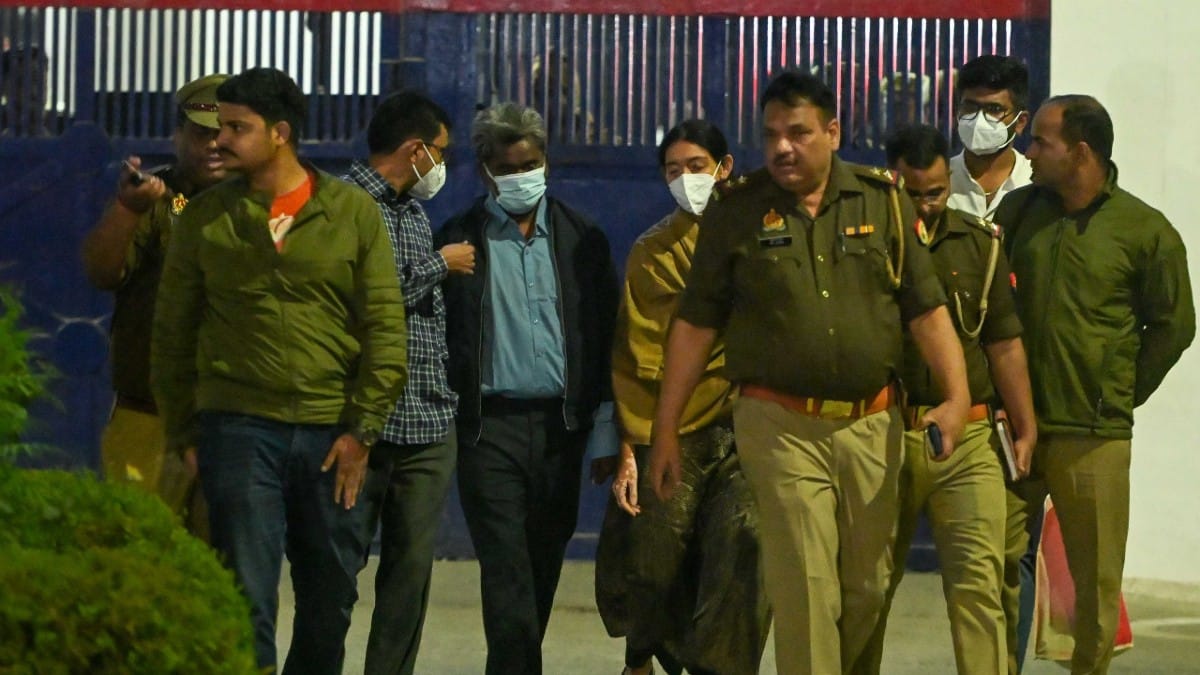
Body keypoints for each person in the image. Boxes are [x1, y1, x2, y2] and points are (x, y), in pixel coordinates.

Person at [647, 70, 971, 675]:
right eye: (771, 134)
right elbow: (693, 327)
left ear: (832, 131)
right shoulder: (736, 211)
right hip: (779, 424)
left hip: (872, 425)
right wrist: (664, 429)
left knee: (865, 589)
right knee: (805, 587)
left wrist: (955, 395)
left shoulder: (884, 201)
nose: (781, 147)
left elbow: (925, 310)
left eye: (797, 132)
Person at [151, 67, 407, 673]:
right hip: (238, 430)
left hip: (331, 433)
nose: (219, 140)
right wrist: (184, 432)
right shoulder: (205, 218)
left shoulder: (351, 214)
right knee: (246, 592)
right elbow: (172, 332)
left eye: (237, 128)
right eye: (219, 126)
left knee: (329, 596)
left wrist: (362, 433)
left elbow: (384, 330)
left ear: (281, 134)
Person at [996, 94, 1194, 675]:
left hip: (1095, 436)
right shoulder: (1017, 214)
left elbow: (1175, 326)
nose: (1028, 153)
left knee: (1095, 588)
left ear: (1080, 153)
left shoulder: (1145, 232)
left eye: (1041, 143)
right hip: (1015, 432)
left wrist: (1120, 391)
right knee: (993, 572)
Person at [436, 101, 618, 675]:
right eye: (507, 168)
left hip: (562, 431)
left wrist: (606, 431)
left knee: (540, 568)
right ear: (485, 168)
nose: (521, 177)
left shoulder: (581, 239)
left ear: (547, 161)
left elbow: (607, 335)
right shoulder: (459, 240)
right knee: (507, 570)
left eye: (530, 164)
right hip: (489, 432)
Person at [853, 124, 1038, 675]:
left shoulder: (978, 244)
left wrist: (1026, 426)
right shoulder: (860, 246)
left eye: (935, 191)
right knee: (866, 588)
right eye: (913, 193)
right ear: (891, 182)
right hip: (882, 434)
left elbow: (1003, 343)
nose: (926, 204)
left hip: (971, 436)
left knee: (980, 588)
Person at [593, 119, 771, 675]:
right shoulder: (654, 253)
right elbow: (640, 358)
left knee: (745, 544)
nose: (686, 179)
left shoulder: (765, 236)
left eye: (696, 167)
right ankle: (644, 658)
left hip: (754, 425)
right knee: (657, 554)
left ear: (725, 169)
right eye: (674, 170)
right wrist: (631, 446)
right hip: (676, 428)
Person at [342, 90, 475, 675]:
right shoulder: (343, 206)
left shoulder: (412, 212)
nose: (442, 168)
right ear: (416, 150)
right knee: (334, 569)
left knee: (409, 576)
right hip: (361, 428)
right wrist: (439, 265)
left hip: (425, 421)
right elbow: (360, 303)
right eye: (440, 154)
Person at [82, 73, 228, 538]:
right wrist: (127, 209)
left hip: (231, 421)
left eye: (224, 134)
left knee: (225, 563)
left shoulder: (265, 208)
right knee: (135, 547)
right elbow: (103, 272)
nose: (212, 145)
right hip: (149, 413)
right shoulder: (161, 200)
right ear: (178, 136)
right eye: (201, 133)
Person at [948, 55, 1032, 219]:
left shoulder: (1035, 182)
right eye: (970, 106)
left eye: (994, 108)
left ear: (1020, 122)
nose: (979, 119)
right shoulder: (940, 183)